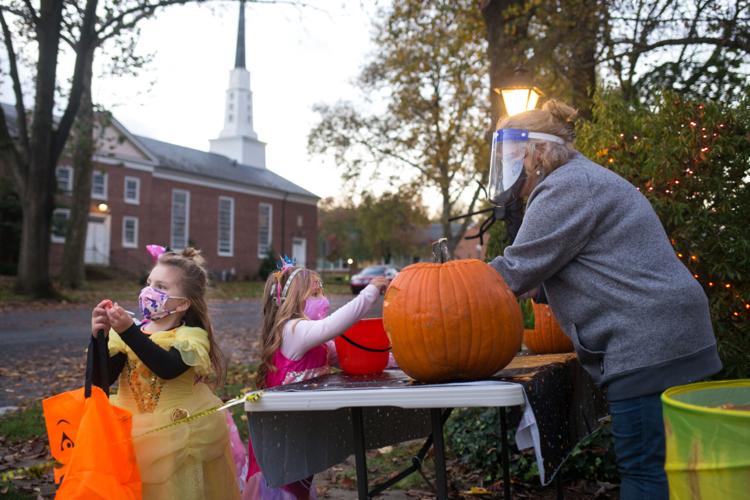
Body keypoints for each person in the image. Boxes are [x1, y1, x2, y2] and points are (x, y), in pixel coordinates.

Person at [486, 100, 721, 499]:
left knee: (645, 471)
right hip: (669, 334)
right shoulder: (581, 180)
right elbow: (580, 266)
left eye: (513, 158)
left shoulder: (566, 187)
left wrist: (441, 277)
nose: (512, 171)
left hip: (647, 342)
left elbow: (516, 270)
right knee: (679, 471)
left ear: (537, 153)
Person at [90, 247, 240, 499]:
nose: (149, 291)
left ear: (182, 303)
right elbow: (101, 379)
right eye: (149, 283)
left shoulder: (190, 336)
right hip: (128, 430)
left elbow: (167, 368)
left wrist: (129, 332)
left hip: (176, 434)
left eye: (161, 287)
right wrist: (99, 337)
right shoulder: (130, 331)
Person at [243, 260, 389, 499]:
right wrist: (370, 292)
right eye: (315, 293)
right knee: (285, 490)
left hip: (303, 435)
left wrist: (398, 358)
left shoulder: (316, 342)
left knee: (300, 484)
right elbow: (333, 325)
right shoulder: (293, 331)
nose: (324, 299)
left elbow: (352, 356)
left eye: (322, 292)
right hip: (282, 441)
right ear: (292, 301)